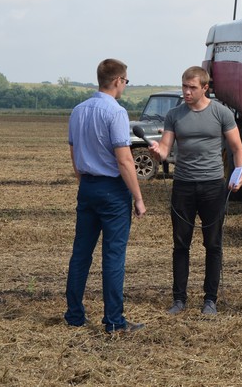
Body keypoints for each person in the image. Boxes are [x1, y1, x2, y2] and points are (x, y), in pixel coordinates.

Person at [149, 66, 242, 316]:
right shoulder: (174, 115)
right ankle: (179, 299)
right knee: (181, 244)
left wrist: (239, 173)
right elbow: (165, 149)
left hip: (213, 185)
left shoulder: (221, 113)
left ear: (205, 88)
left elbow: (237, 149)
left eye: (192, 87)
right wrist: (157, 153)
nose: (187, 91)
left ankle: (210, 300)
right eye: (184, 86)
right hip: (183, 185)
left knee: (213, 244)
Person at [64, 58, 147, 334]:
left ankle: (74, 314)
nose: (124, 86)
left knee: (80, 253)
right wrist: (138, 197)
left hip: (87, 187)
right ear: (117, 81)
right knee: (113, 256)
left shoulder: (78, 111)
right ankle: (114, 320)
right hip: (112, 190)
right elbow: (124, 160)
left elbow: (75, 155)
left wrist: (85, 181)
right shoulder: (116, 112)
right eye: (125, 81)